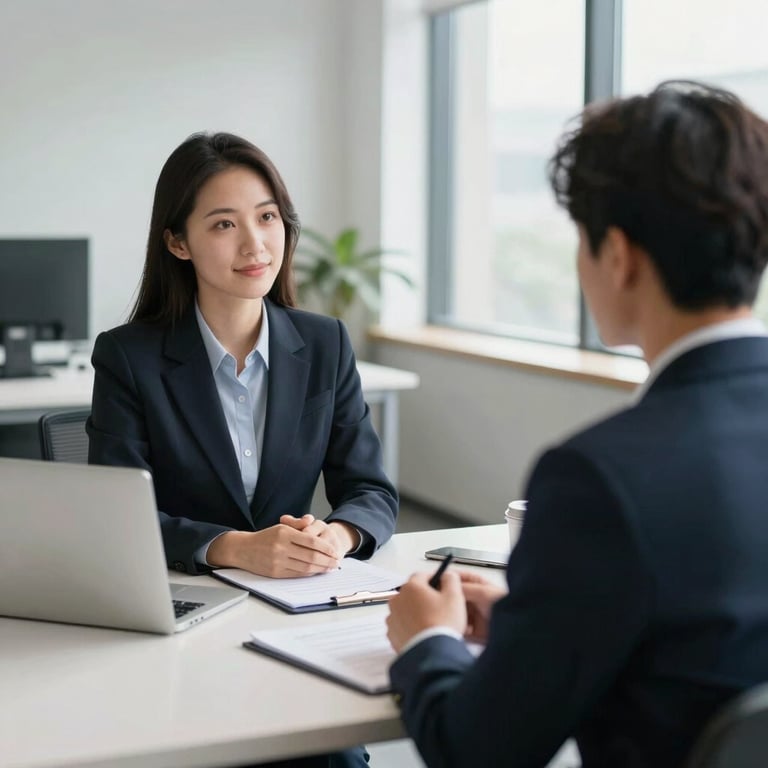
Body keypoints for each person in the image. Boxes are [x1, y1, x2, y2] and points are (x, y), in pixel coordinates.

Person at [386, 80, 768, 768]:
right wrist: (540, 623)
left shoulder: (602, 476)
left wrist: (425, 641)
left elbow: (477, 749)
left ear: (618, 256)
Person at [88, 132, 397, 583]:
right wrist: (237, 549)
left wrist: (336, 536)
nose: (255, 245)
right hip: (179, 595)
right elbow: (118, 517)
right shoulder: (128, 357)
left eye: (267, 216)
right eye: (224, 224)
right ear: (178, 243)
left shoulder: (325, 342)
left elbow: (370, 489)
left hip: (294, 596)